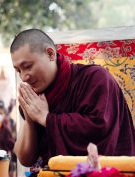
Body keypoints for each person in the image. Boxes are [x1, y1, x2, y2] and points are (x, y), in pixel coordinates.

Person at [10, 29, 135, 167]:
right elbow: (26, 159)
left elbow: (99, 130)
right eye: (18, 70)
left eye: (27, 66)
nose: (24, 77)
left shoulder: (95, 78)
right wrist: (30, 118)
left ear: (50, 54)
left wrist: (46, 118)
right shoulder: (37, 96)